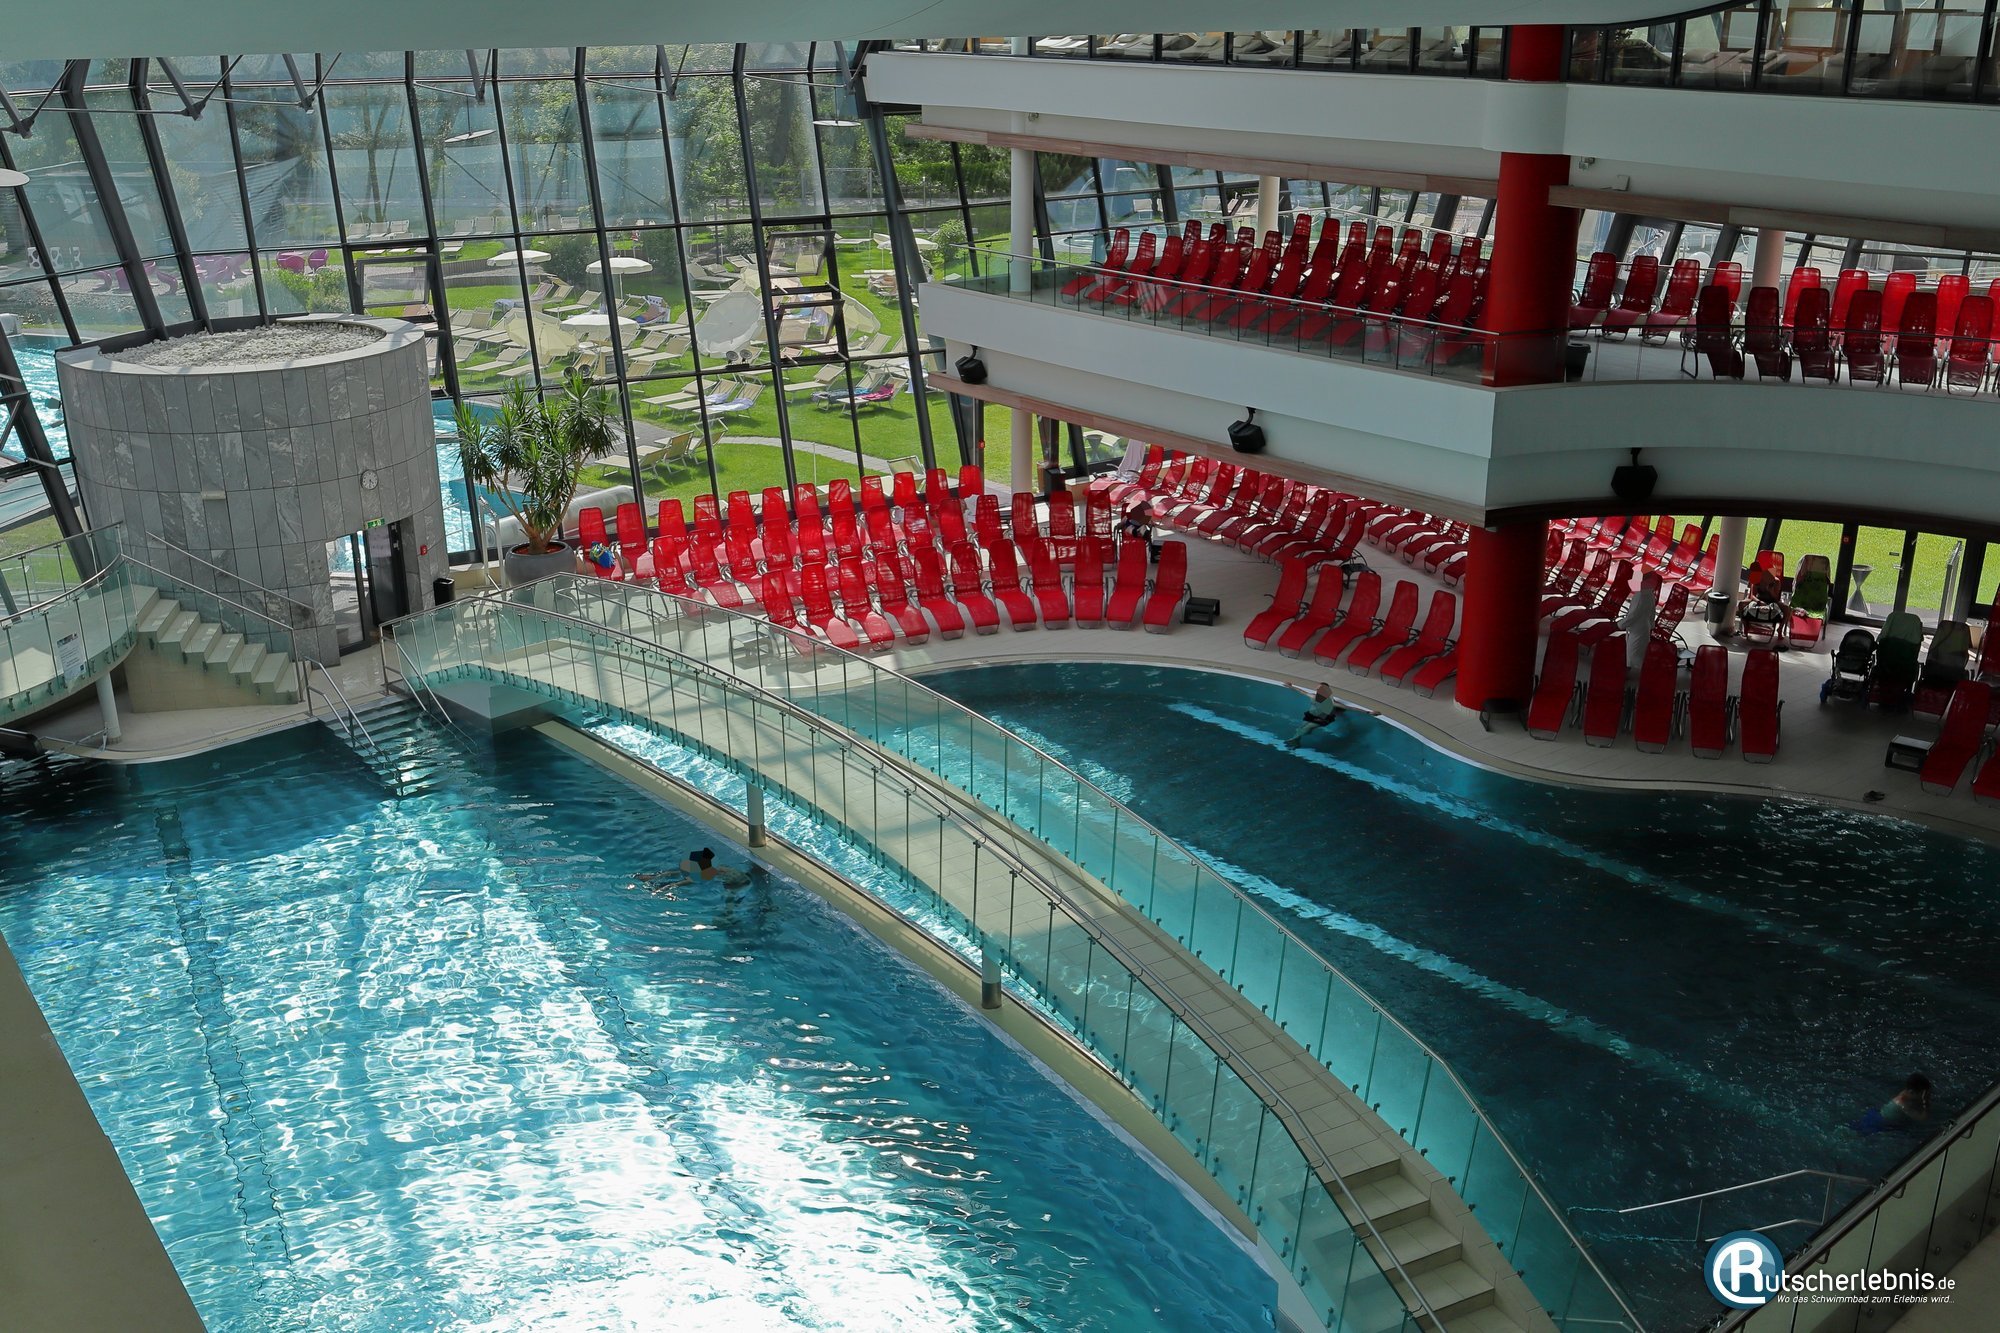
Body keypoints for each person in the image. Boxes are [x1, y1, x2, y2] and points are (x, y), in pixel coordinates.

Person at [639, 847, 756, 891]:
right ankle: (659, 885)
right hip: (708, 871)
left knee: (680, 877)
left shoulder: (731, 874)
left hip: (708, 870)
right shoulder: (730, 873)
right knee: (681, 881)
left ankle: (655, 880)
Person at [1852, 1074, 1932, 1135]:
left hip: (1879, 1116)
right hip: (1879, 1124)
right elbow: (1923, 1118)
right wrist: (1926, 1101)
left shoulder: (1906, 1093)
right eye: (1922, 1094)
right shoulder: (1903, 1104)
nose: (1924, 1096)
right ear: (1912, 1092)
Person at [1286, 682, 1346, 747]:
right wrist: (1291, 686)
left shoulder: (1330, 701)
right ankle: (1297, 741)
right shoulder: (1313, 696)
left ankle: (1293, 739)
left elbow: (1345, 707)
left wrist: (1353, 709)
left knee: (1307, 728)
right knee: (1300, 727)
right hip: (1311, 715)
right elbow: (1302, 692)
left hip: (1323, 719)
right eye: (1317, 688)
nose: (1317, 690)